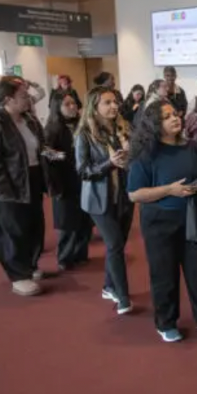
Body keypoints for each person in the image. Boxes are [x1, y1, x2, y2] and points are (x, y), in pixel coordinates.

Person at [128, 100, 197, 342]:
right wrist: (169, 190)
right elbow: (135, 194)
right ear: (155, 124)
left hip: (192, 217)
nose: (175, 118)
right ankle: (166, 323)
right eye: (166, 117)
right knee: (164, 274)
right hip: (159, 222)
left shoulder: (191, 146)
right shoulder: (146, 153)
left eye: (175, 114)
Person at [0, 76, 57, 296]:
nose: (28, 99)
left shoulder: (30, 120)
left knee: (34, 226)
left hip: (32, 178)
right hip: (9, 184)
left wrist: (61, 156)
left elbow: (41, 148)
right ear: (8, 99)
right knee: (13, 231)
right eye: (23, 96)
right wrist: (4, 191)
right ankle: (18, 275)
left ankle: (30, 265)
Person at [75, 87, 135, 315]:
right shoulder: (84, 134)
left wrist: (131, 153)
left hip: (124, 196)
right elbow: (82, 170)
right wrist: (109, 164)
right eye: (107, 103)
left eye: (115, 102)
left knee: (117, 245)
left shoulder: (123, 129)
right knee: (115, 244)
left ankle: (109, 286)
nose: (114, 106)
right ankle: (123, 297)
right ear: (94, 107)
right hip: (98, 199)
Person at [45, 92, 93, 271]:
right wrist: (68, 156)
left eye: (74, 103)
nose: (72, 107)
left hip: (83, 179)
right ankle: (65, 258)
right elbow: (45, 152)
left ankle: (81, 254)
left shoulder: (82, 124)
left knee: (84, 219)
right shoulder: (52, 128)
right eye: (67, 104)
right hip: (64, 180)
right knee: (67, 222)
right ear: (58, 107)